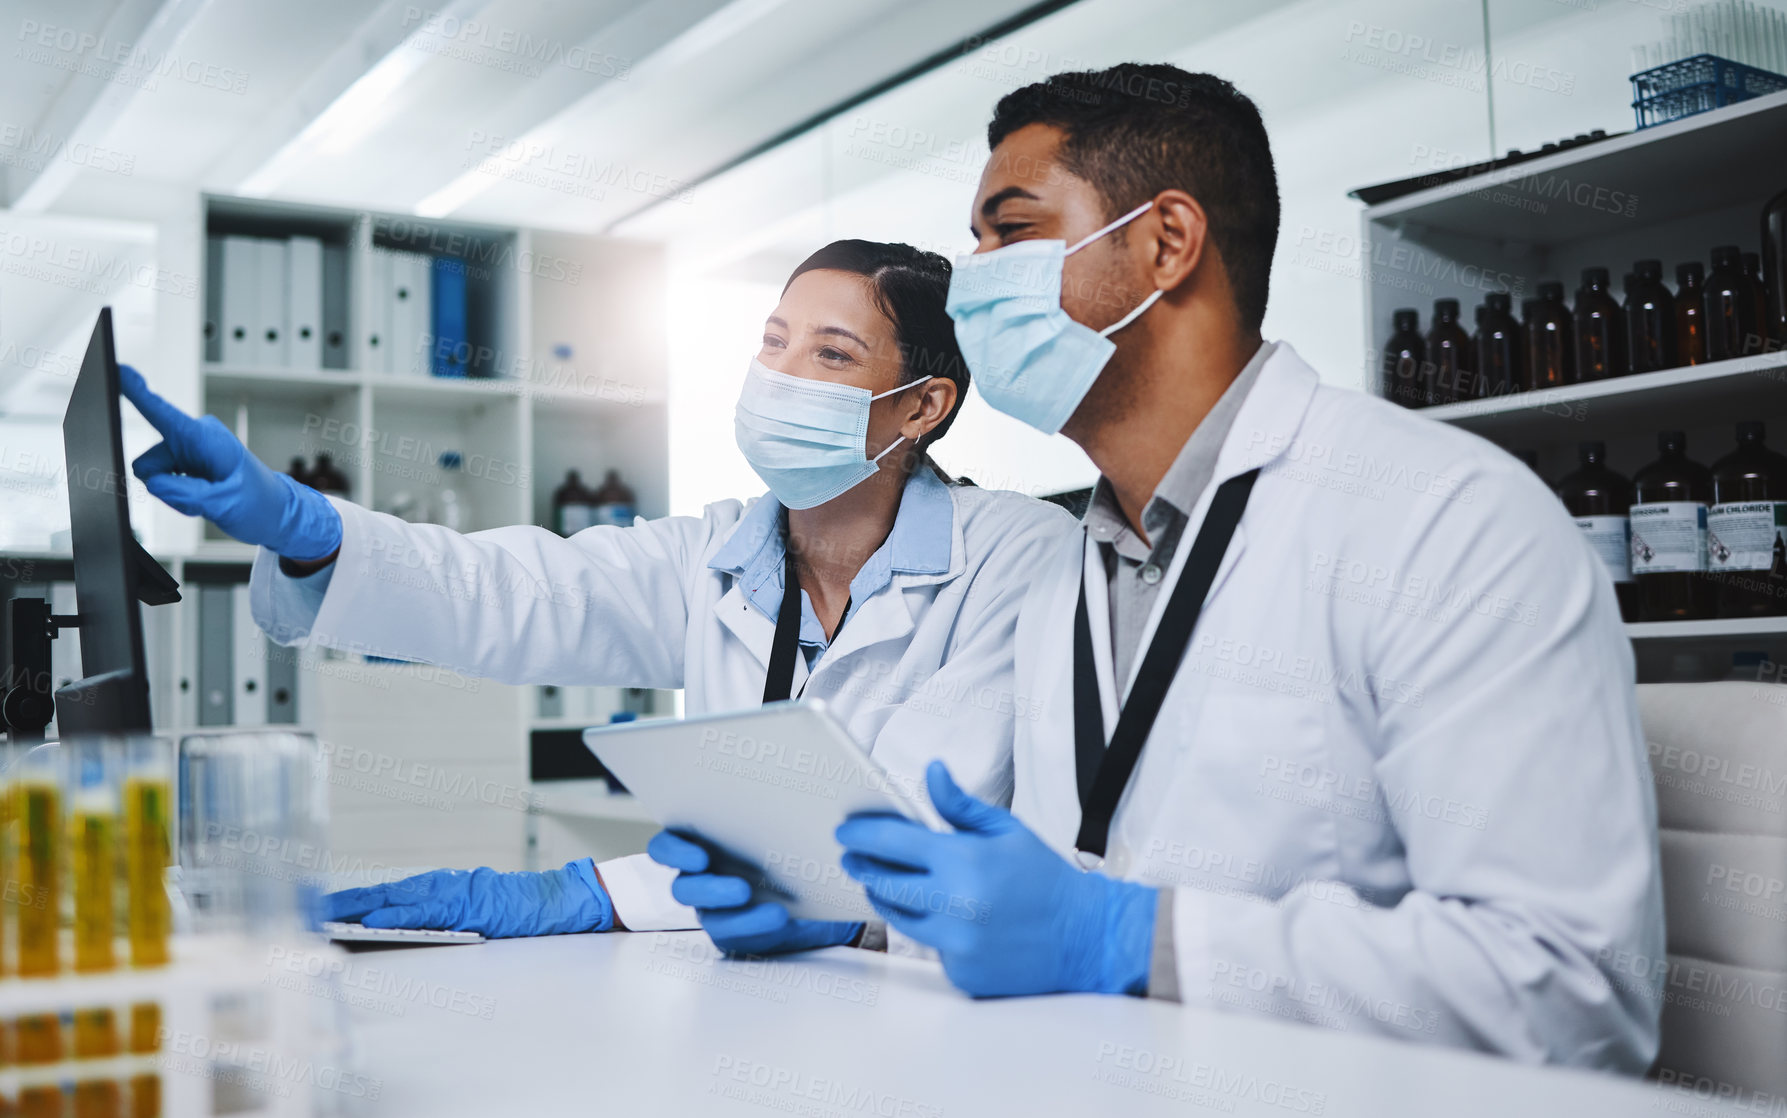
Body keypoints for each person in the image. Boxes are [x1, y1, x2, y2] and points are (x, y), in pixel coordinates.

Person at [668, 65, 1665, 1070]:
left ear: (1166, 242)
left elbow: (1573, 987)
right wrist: (852, 920)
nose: (971, 282)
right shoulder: (1070, 569)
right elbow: (1051, 893)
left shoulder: (1442, 520)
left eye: (1007, 233)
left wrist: (1125, 938)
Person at [123, 239, 1076, 949]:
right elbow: (512, 592)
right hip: (782, 1004)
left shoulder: (1015, 558)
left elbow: (893, 838)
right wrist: (309, 529)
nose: (779, 378)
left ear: (921, 406)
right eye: (772, 343)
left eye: (829, 356)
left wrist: (593, 891)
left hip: (951, 1007)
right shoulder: (719, 555)